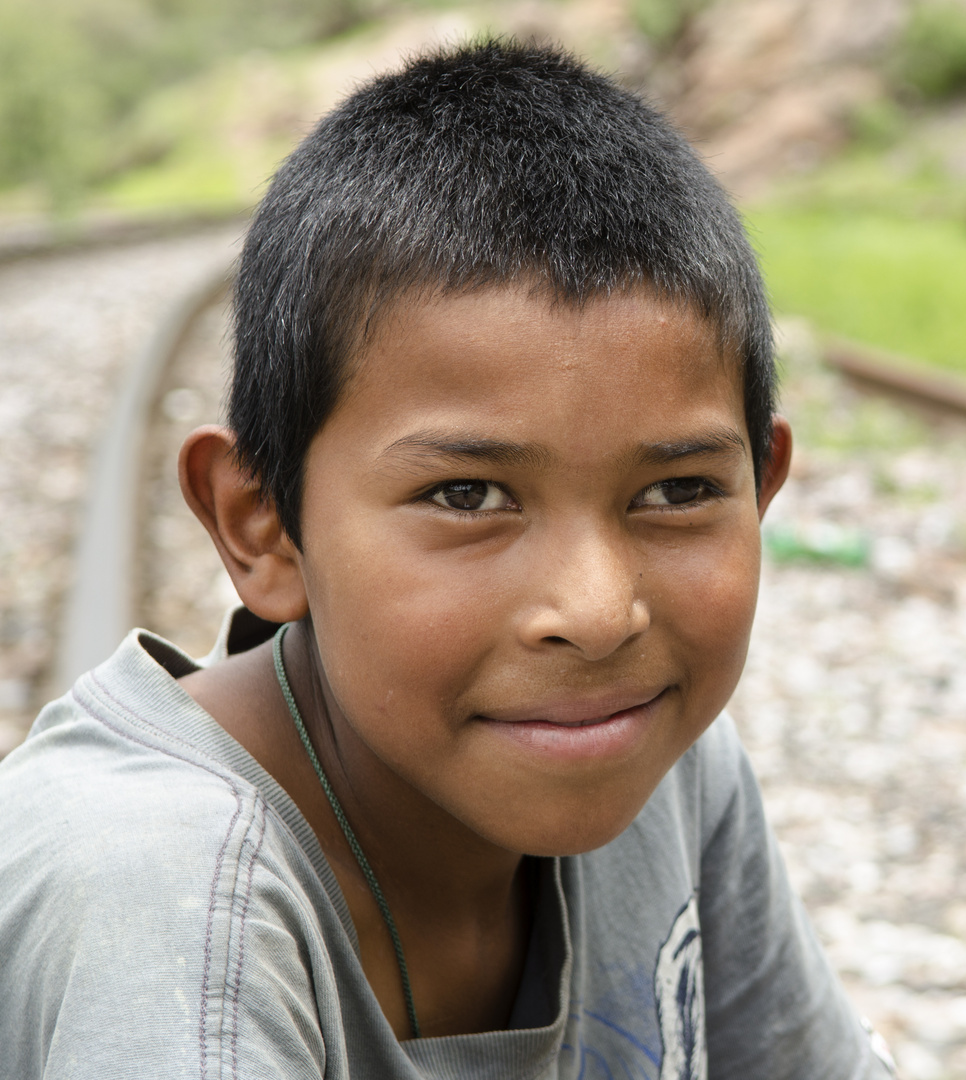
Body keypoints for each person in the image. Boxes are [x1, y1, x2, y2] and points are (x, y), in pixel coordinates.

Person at [0, 40, 895, 1080]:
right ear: (263, 526)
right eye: (467, 497)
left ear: (763, 486)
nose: (599, 613)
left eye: (677, 492)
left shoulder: (665, 767)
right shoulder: (163, 903)